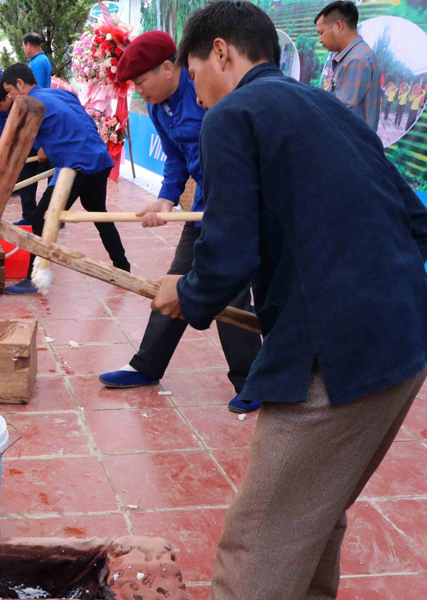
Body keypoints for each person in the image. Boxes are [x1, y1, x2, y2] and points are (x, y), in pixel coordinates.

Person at [149, 4, 427, 598]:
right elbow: (416, 220)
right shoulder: (328, 107)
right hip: (405, 339)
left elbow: (228, 253)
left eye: (195, 76)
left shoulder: (234, 114)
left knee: (260, 542)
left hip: (339, 353)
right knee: (313, 515)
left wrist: (188, 294)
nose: (197, 98)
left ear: (221, 52)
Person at [98, 30, 262, 412]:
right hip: (202, 207)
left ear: (169, 68)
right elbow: (176, 160)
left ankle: (254, 380)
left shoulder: (204, 90)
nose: (139, 92)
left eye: (141, 81)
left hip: (231, 206)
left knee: (230, 291)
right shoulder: (158, 107)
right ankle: (147, 365)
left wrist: (224, 208)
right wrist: (166, 199)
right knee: (174, 285)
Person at [0, 64, 129, 294]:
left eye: (10, 90)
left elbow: (20, 142)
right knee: (98, 212)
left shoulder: (30, 105)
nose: (10, 96)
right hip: (98, 157)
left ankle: (33, 277)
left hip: (78, 165)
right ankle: (122, 265)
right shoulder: (57, 92)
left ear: (20, 83)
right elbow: (71, 118)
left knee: (41, 218)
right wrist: (45, 145)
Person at [0, 81, 47, 226]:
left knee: (52, 178)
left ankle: (53, 216)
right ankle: (28, 215)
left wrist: (44, 146)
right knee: (24, 177)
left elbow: (43, 124)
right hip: (24, 146)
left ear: (8, 97)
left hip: (43, 143)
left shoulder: (26, 103)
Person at [315, 0, 380, 131]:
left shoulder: (356, 60)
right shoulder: (351, 56)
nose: (320, 40)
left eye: (321, 33)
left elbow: (341, 115)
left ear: (338, 26)